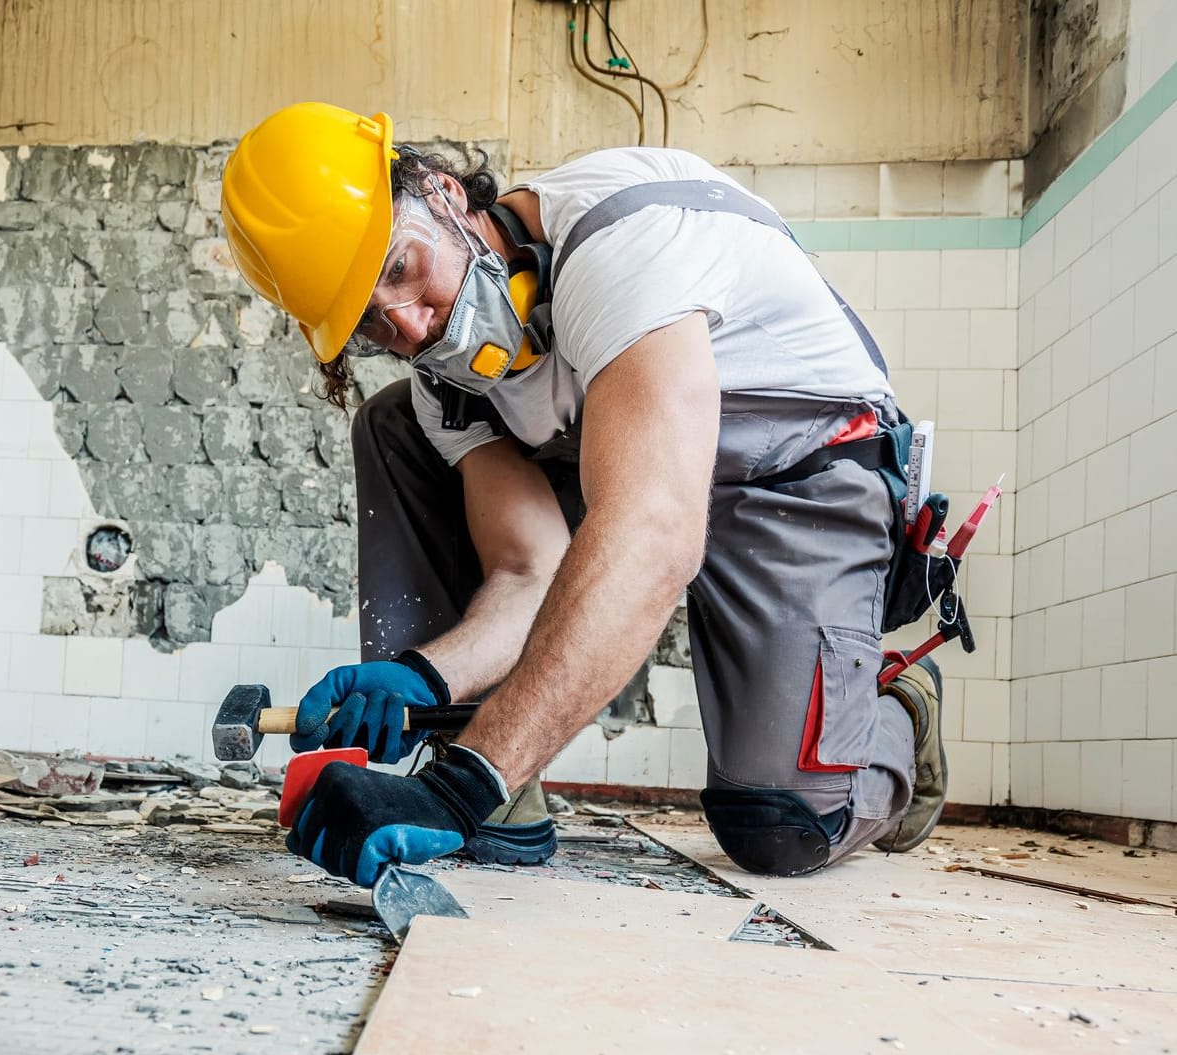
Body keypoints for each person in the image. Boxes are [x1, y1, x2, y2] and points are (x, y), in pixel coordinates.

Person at [219, 102, 945, 887]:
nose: (412, 325)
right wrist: (423, 676)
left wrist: (459, 792)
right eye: (369, 323)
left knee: (785, 827)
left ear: (440, 192)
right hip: (635, 463)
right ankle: (490, 771)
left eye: (399, 268)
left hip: (797, 474)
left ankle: (897, 708)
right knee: (397, 423)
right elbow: (530, 571)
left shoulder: (620, 245)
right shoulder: (447, 386)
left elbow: (653, 532)